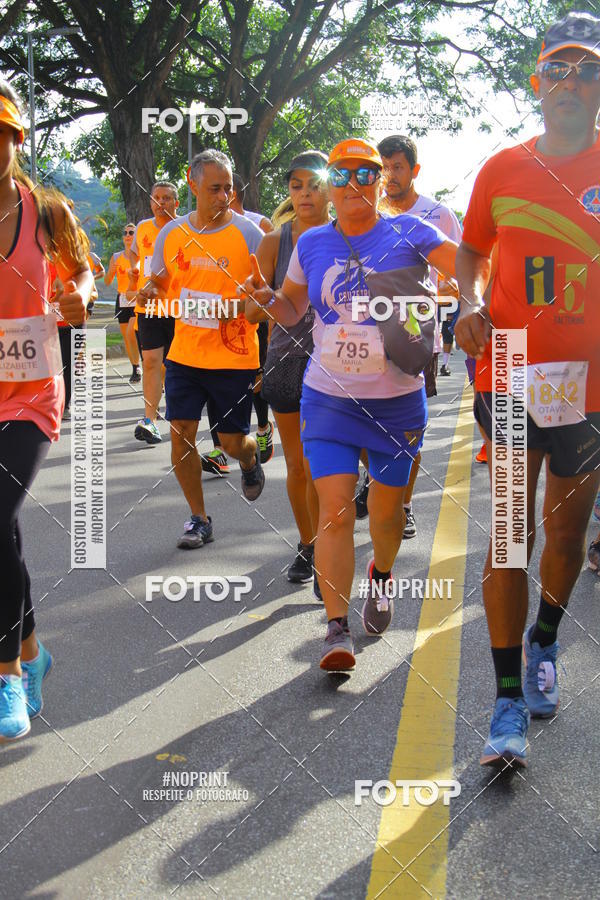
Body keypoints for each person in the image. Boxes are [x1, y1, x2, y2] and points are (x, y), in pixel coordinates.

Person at [242, 138, 457, 672]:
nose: (354, 184)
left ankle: (381, 576)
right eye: (342, 175)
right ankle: (335, 630)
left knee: (387, 514)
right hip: (329, 396)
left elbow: (468, 268)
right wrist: (266, 302)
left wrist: (459, 300)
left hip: (396, 402)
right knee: (336, 513)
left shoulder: (411, 231)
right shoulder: (312, 243)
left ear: (381, 182)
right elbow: (293, 305)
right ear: (327, 186)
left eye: (366, 174)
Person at [455, 9, 600, 768]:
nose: (571, 81)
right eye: (559, 69)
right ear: (537, 81)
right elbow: (472, 250)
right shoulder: (502, 168)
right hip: (510, 367)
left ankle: (547, 635)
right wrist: (470, 302)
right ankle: (507, 697)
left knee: (568, 535)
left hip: (592, 385)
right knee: (511, 534)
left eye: (587, 69)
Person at [0, 80, 93, 740]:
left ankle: (5, 675)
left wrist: (79, 296)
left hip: (32, 389)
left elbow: (82, 271)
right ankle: (34, 653)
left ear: (15, 140)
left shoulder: (48, 211)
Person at [141, 150, 265, 549]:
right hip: (186, 355)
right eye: (215, 188)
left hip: (233, 357)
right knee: (180, 437)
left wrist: (241, 306)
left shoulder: (249, 235)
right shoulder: (172, 234)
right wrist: (151, 289)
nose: (224, 196)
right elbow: (160, 282)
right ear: (192, 185)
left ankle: (248, 459)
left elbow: (264, 301)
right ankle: (199, 518)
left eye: (229, 188)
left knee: (230, 441)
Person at [245, 150, 329, 585]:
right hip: (287, 361)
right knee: (298, 465)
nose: (304, 193)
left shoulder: (347, 235)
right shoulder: (276, 241)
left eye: (313, 184)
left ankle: (332, 542)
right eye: (296, 186)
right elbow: (252, 312)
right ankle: (310, 545)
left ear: (330, 187)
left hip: (340, 365)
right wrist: (258, 301)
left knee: (328, 466)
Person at [375, 134, 463, 538]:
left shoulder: (437, 215)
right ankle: (376, 480)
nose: (390, 175)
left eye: (398, 167)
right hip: (365, 328)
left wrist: (442, 296)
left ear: (414, 170)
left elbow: (463, 272)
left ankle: (404, 505)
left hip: (414, 327)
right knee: (362, 419)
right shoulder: (365, 210)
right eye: (384, 167)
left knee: (410, 425)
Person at [128, 181, 179, 444]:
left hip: (177, 306)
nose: (162, 202)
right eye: (157, 198)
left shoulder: (183, 228)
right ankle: (150, 420)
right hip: (148, 305)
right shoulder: (143, 228)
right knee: (150, 361)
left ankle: (180, 415)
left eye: (167, 198)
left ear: (176, 203)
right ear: (151, 202)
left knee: (174, 365)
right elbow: (136, 257)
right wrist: (133, 274)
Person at [105, 223, 141, 383]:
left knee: (131, 333)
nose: (127, 235)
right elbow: (107, 281)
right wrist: (110, 271)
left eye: (131, 232)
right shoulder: (116, 257)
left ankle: (145, 363)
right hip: (122, 300)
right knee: (127, 338)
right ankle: (136, 368)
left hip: (136, 299)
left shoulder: (139, 257)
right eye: (125, 232)